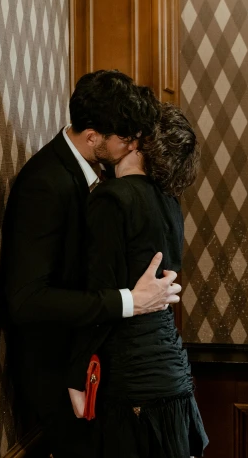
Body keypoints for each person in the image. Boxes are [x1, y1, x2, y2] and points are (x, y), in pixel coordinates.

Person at [0, 70, 182, 457]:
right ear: (92, 136)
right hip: (54, 368)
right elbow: (26, 299)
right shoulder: (44, 184)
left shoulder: (102, 175)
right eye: (127, 139)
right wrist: (130, 301)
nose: (135, 145)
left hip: (95, 365)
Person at [66, 103, 208, 457]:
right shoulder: (170, 201)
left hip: (132, 380)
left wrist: (74, 378)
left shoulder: (112, 198)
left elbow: (100, 302)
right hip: (174, 375)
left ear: (137, 141)